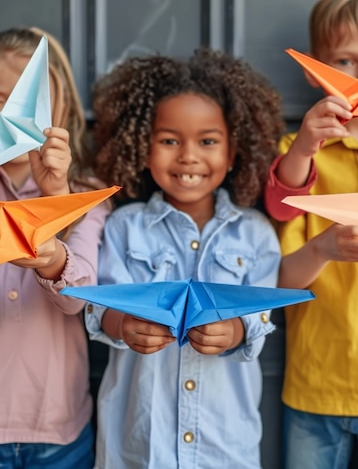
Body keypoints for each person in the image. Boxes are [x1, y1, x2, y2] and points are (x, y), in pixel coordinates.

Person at [85, 47, 284, 469]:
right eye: (169, 140)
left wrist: (234, 330)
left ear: (232, 153)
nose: (189, 156)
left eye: (208, 141)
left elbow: (261, 317)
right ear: (143, 147)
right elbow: (97, 307)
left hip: (224, 446)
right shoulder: (125, 228)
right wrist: (123, 323)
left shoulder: (256, 234)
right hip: (140, 446)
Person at [0, 27, 111, 469]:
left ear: (55, 106)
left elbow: (75, 300)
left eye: (18, 103)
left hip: (58, 431)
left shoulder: (88, 193)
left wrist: (55, 199)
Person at [264, 0, 358, 469]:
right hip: (317, 387)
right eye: (345, 61)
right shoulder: (297, 154)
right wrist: (323, 249)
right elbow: (280, 280)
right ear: (316, 71)